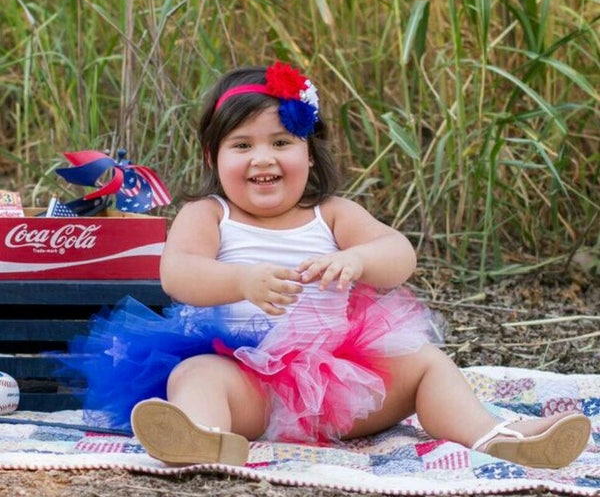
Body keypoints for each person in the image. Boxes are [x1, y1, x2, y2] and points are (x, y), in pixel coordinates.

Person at [67, 61, 591, 469]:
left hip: (345, 388)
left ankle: (490, 435)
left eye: (282, 142)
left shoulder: (331, 214)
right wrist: (241, 280)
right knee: (194, 373)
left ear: (309, 154)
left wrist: (357, 259)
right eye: (242, 145)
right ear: (213, 157)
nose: (263, 158)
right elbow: (177, 274)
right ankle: (204, 436)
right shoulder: (208, 215)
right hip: (251, 384)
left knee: (426, 361)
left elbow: (399, 254)